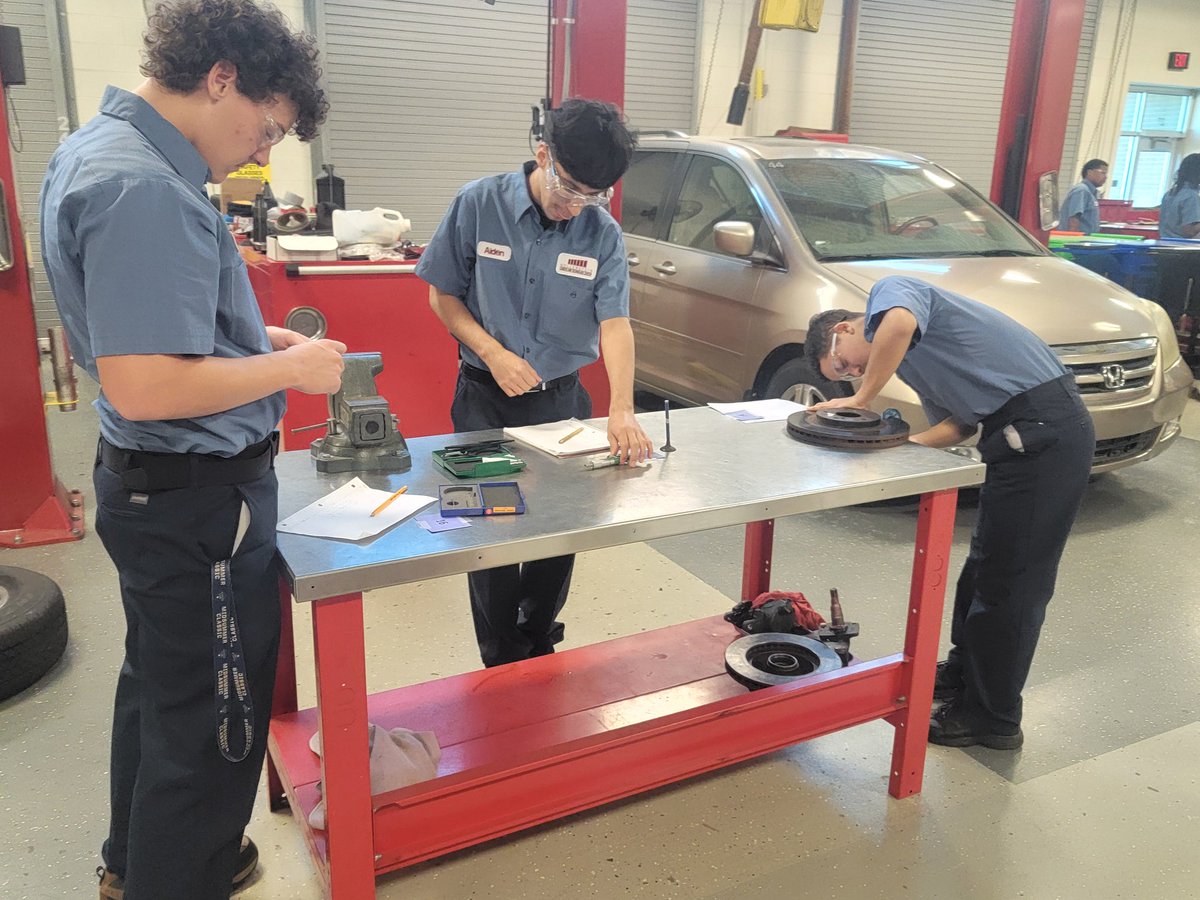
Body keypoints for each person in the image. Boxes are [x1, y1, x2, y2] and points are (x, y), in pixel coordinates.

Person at [39, 2, 344, 897]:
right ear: (220, 78)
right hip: (195, 503)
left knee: (161, 692)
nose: (262, 153)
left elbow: (161, 340)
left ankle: (137, 866)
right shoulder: (147, 188)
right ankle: (181, 877)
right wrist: (295, 376)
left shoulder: (98, 148)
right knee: (213, 717)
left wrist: (262, 343)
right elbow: (148, 383)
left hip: (153, 491)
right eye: (267, 126)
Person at [805, 275, 1095, 750]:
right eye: (848, 378)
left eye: (844, 365)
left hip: (1046, 433)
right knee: (981, 571)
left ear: (843, 327)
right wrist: (884, 449)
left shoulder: (892, 293)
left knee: (1013, 585)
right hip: (1016, 440)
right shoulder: (917, 364)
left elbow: (896, 325)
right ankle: (964, 677)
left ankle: (994, 718)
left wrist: (861, 401)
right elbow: (957, 425)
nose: (854, 372)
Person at [416, 98, 654, 668]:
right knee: (491, 534)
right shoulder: (478, 204)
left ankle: (539, 637)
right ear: (541, 154)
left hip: (562, 406)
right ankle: (500, 657)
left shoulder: (601, 233)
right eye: (569, 188)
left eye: (594, 196)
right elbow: (441, 294)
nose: (577, 206)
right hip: (483, 400)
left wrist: (623, 407)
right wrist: (491, 351)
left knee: (558, 532)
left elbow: (615, 323)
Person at [1058, 158, 1107, 233]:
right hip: (1076, 241)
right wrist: (1073, 241)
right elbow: (1074, 218)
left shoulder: (1091, 193)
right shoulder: (1082, 190)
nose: (1105, 177)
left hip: (1086, 240)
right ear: (1090, 172)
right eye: (1103, 173)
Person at [1159, 152, 1200, 239]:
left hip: (1164, 242)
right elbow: (1188, 231)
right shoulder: (1191, 196)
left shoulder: (1170, 193)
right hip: (1182, 245)